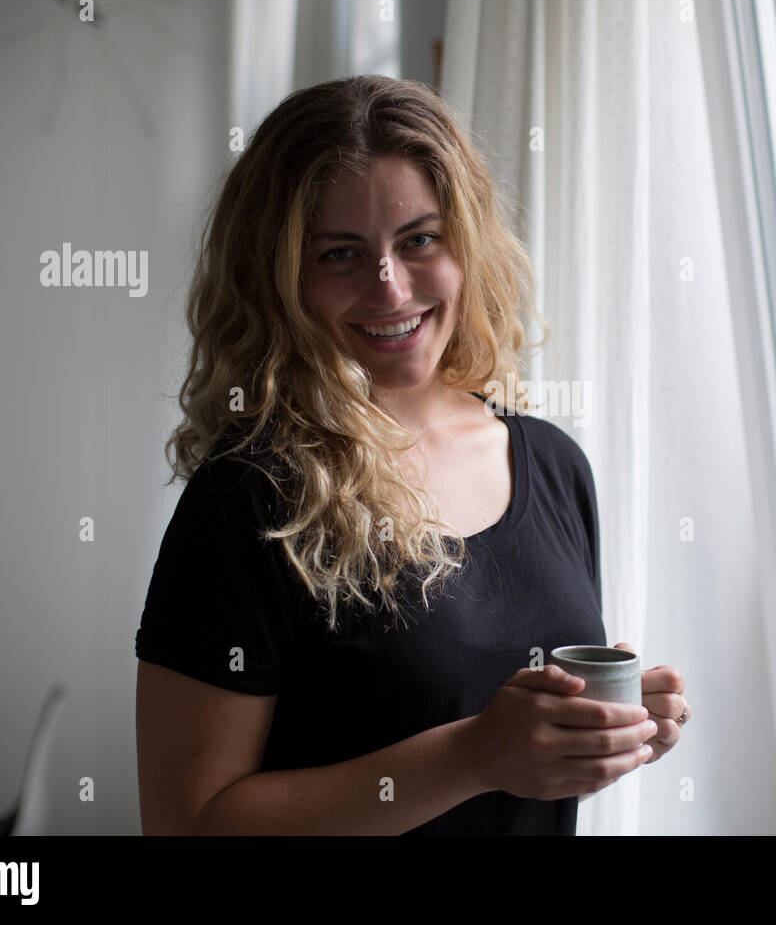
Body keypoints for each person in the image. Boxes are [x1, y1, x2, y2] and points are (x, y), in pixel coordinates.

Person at [133, 75, 690, 835]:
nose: (389, 287)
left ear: (466, 244)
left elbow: (505, 793)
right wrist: (472, 756)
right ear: (279, 278)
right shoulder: (249, 498)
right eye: (339, 254)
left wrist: (590, 738)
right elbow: (188, 822)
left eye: (419, 240)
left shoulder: (555, 466)